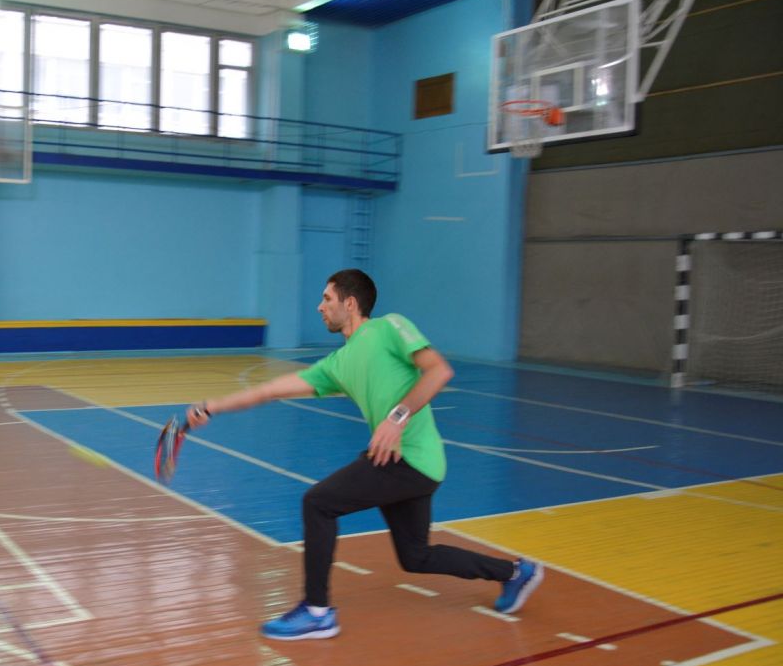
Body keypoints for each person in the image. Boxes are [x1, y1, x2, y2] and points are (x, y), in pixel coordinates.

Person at [185, 269, 543, 640]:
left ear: (351, 303)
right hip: (403, 463)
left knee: (318, 503)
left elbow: (439, 371)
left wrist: (397, 418)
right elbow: (270, 389)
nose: (320, 306)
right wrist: (213, 406)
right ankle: (515, 573)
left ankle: (317, 611)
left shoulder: (388, 327)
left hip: (411, 459)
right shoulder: (338, 364)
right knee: (415, 557)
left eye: (327, 298)